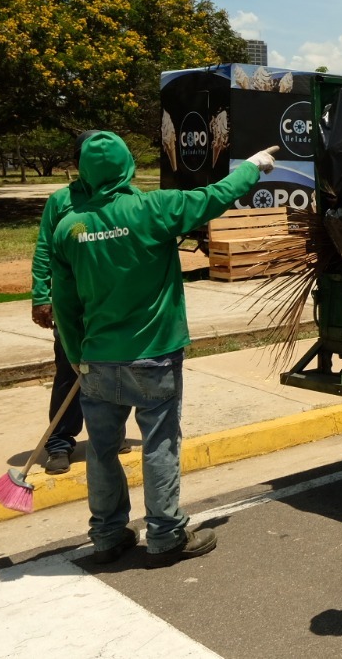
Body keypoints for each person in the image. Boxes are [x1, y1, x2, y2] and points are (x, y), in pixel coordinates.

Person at [50, 131, 276, 566]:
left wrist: (77, 355)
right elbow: (214, 197)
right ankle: (166, 535)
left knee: (100, 449)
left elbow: (64, 302)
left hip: (96, 358)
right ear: (127, 166)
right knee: (159, 443)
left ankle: (108, 535)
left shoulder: (68, 227)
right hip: (154, 353)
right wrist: (253, 165)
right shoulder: (153, 209)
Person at [30, 131, 114, 475]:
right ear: (78, 163)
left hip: (109, 303)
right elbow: (44, 250)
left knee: (112, 369)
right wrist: (41, 296)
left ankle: (107, 434)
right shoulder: (61, 201)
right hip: (71, 304)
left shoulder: (121, 197)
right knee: (69, 369)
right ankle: (60, 442)